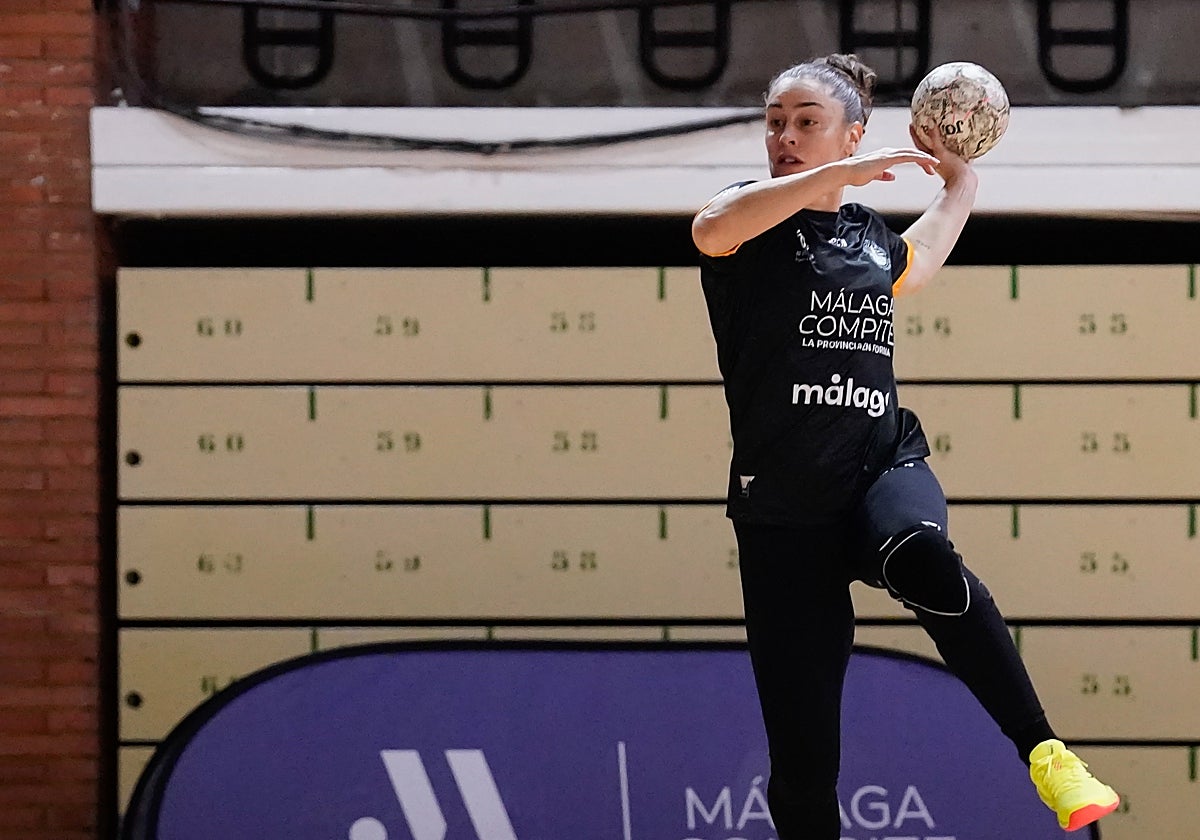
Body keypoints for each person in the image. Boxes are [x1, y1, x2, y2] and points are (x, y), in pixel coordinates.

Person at [692, 53, 1120, 837]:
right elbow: (711, 229)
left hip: (881, 462)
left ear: (851, 132)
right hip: (784, 508)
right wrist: (854, 169)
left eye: (807, 123)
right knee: (805, 760)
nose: (785, 136)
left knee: (923, 556)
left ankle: (1048, 755)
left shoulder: (866, 239)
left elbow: (914, 266)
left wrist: (962, 187)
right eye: (775, 123)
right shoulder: (743, 222)